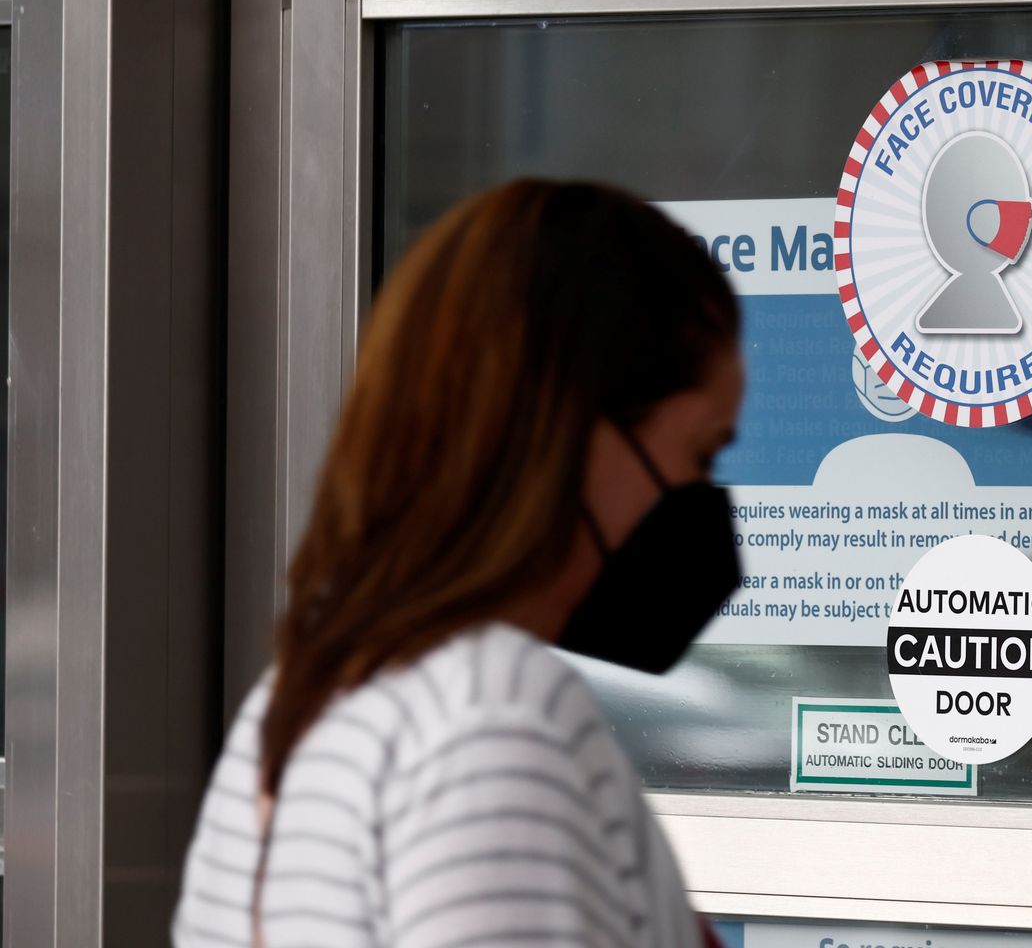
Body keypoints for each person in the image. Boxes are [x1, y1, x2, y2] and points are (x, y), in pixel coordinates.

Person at [173, 180, 745, 947]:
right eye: (702, 452)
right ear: (569, 431)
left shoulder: (302, 698)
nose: (708, 497)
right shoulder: (490, 714)